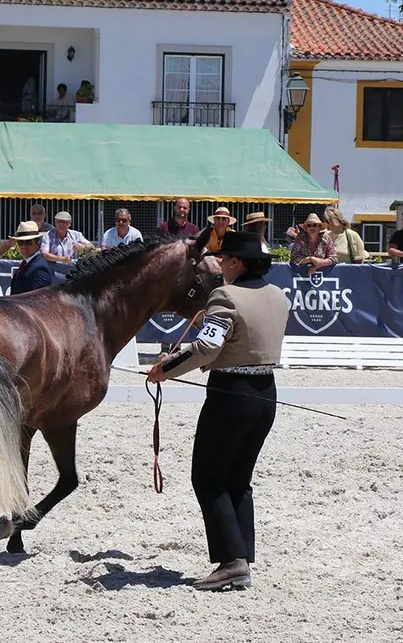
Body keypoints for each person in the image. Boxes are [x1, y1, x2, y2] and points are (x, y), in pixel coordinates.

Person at [146, 230, 288, 592]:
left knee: (208, 478)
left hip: (230, 395)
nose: (220, 264)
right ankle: (242, 557)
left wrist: (167, 368)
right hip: (266, 393)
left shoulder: (225, 296)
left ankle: (231, 562)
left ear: (237, 262)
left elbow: (208, 346)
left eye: (224, 259)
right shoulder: (278, 296)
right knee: (239, 479)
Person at [6, 221, 53, 295]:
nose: (23, 246)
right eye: (20, 242)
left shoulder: (40, 268)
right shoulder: (26, 263)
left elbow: (36, 300)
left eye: (28, 242)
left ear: (37, 244)